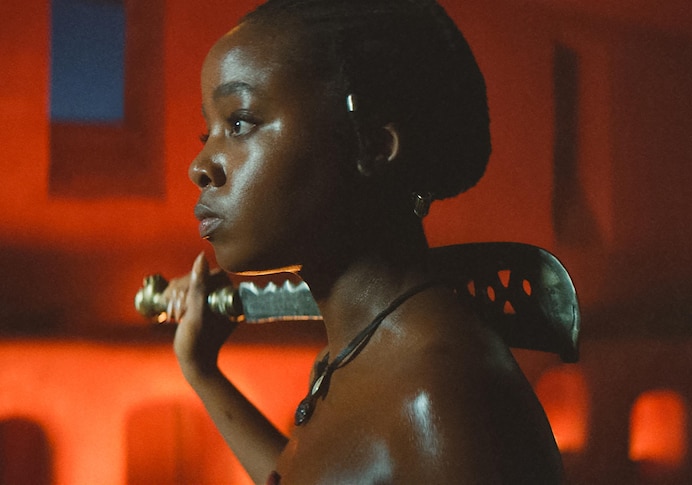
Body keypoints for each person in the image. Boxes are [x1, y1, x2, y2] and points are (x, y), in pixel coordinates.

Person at [161, 0, 564, 483]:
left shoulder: (441, 398)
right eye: (208, 132)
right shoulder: (353, 357)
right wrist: (203, 371)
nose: (200, 166)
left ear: (371, 145)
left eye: (240, 123)